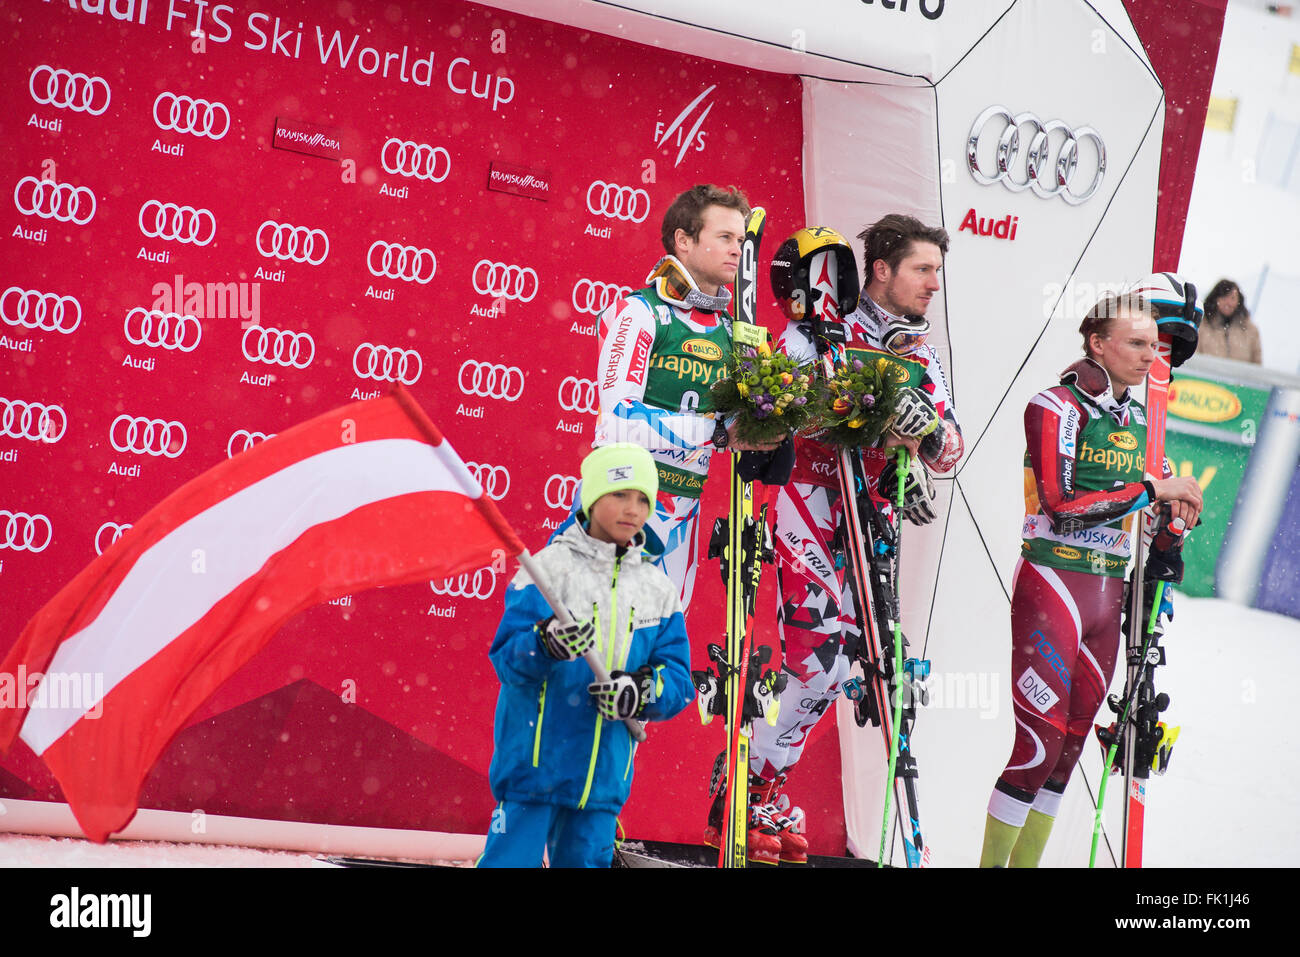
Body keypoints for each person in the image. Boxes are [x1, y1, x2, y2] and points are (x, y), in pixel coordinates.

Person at [724, 217, 964, 863]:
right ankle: (748, 782)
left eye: (937, 271)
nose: (933, 284)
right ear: (880, 269)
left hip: (872, 520)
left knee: (863, 664)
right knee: (818, 655)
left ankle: (764, 783)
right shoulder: (821, 332)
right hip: (812, 500)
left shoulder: (921, 354)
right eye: (923, 269)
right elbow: (771, 409)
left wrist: (926, 437)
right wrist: (858, 415)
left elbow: (951, 449)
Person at [978, 292, 1202, 868]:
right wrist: (1156, 491)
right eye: (1135, 343)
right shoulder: (1055, 406)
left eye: (1155, 346)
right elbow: (1062, 504)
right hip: (1054, 585)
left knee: (1069, 751)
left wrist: (1174, 517)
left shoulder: (1142, 424)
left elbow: (1154, 509)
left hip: (1108, 597)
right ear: (1097, 344)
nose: (1149, 355)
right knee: (1037, 748)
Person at [479, 443, 693, 867]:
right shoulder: (548, 569)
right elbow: (508, 659)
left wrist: (641, 690)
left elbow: (679, 681)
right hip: (534, 768)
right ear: (592, 497)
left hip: (603, 779)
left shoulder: (658, 589)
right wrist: (545, 643)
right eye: (619, 494)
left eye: (643, 499)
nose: (633, 508)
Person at [586, 184, 780, 612]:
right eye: (725, 237)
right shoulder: (640, 312)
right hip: (622, 496)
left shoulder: (733, 331)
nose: (738, 250)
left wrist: (773, 419)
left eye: (742, 240)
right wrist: (716, 430)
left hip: (683, 508)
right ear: (684, 241)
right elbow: (618, 418)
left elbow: (741, 424)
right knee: (601, 642)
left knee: (657, 648)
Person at [1199, 279, 1261, 364]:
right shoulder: (1201, 326)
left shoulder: (1250, 330)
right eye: (1224, 298)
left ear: (1239, 301)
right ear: (1215, 299)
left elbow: (1257, 363)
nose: (1228, 303)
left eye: (1232, 298)